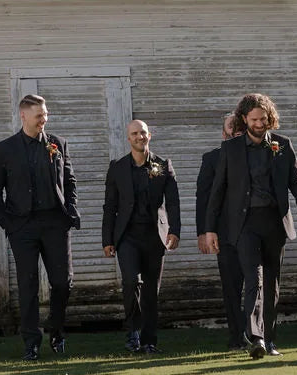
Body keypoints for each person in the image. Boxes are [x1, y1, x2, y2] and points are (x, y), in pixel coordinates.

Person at [204, 93, 297, 359]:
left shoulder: (282, 144)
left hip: (275, 221)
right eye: (254, 119)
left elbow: (296, 181)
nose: (260, 123)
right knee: (254, 278)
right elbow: (217, 191)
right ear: (244, 119)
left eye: (264, 119)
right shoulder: (231, 149)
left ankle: (271, 339)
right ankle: (256, 338)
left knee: (272, 283)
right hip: (244, 223)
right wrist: (210, 229)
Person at [0, 94, 80, 360]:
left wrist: (70, 210)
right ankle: (31, 341)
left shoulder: (57, 144)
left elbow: (70, 181)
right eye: (39, 115)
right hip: (23, 226)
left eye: (46, 115)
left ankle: (57, 331)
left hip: (55, 223)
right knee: (27, 285)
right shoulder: (5, 149)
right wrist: (8, 223)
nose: (44, 120)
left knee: (63, 283)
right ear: (23, 116)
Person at [102, 120, 181, 354]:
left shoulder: (163, 165)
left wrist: (174, 231)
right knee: (130, 281)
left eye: (143, 133)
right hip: (127, 236)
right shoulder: (117, 167)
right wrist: (107, 240)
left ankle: (149, 341)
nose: (139, 137)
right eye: (134, 134)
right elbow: (110, 206)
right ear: (128, 138)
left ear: (150, 135)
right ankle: (133, 332)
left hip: (155, 235)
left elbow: (173, 203)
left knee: (150, 291)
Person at [195, 112, 245, 350]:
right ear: (223, 133)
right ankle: (237, 337)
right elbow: (203, 198)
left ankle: (259, 333)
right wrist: (204, 232)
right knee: (231, 286)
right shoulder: (211, 159)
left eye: (239, 129)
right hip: (224, 234)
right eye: (231, 129)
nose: (235, 133)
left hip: (253, 231)